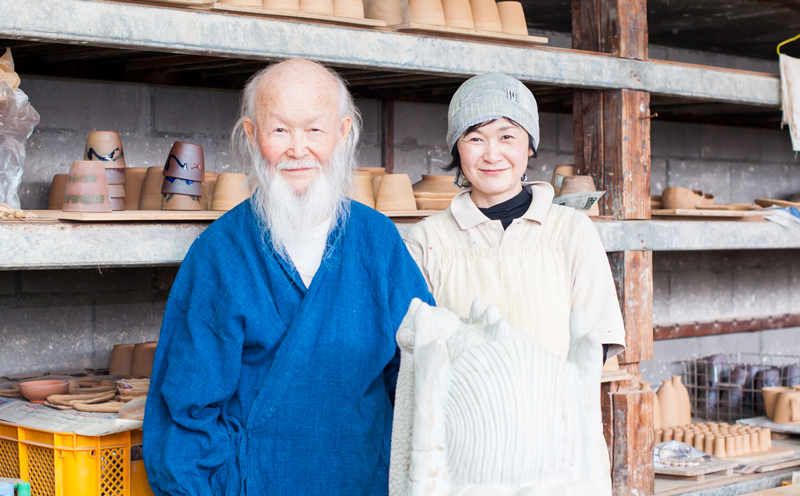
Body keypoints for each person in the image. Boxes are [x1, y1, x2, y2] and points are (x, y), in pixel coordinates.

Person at [143, 59, 434, 496]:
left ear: (343, 133)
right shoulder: (220, 253)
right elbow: (186, 411)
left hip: (364, 479)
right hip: (255, 483)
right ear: (250, 135)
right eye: (279, 130)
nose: (297, 149)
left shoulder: (378, 243)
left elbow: (420, 375)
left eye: (314, 130)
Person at [403, 73, 624, 362]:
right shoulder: (428, 240)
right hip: (464, 406)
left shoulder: (571, 230)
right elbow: (414, 348)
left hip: (553, 404)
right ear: (457, 147)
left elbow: (597, 339)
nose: (492, 155)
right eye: (475, 138)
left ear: (530, 145)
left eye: (507, 136)